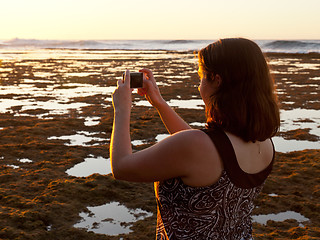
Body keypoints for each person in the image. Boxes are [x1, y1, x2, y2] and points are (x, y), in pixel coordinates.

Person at [110, 38, 280, 240]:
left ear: (217, 80)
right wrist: (159, 102)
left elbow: (121, 167)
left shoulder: (197, 147)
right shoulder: (265, 143)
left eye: (201, 77)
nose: (199, 86)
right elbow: (205, 151)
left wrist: (122, 109)